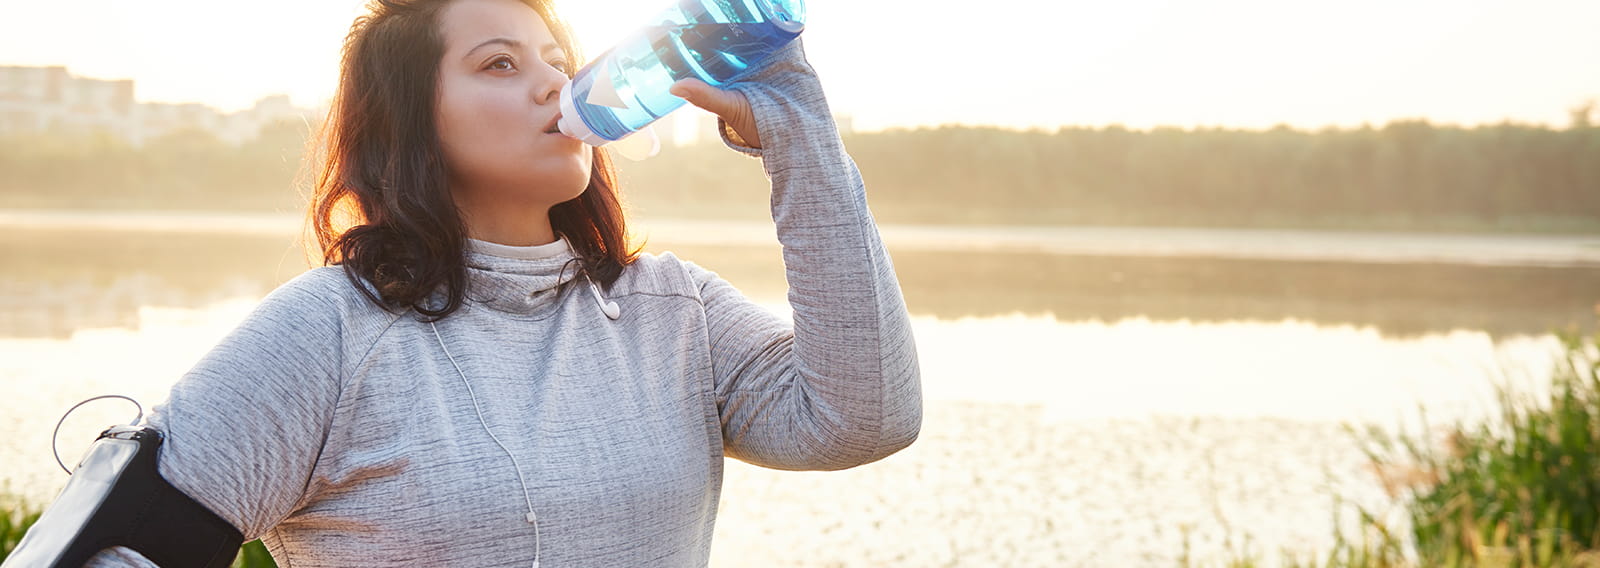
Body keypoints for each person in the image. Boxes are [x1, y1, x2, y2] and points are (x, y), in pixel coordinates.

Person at [83, 0, 921, 564]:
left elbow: (862, 420)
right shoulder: (327, 334)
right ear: (413, 121)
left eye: (558, 59)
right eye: (498, 65)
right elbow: (120, 547)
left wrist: (794, 126)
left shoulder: (675, 312)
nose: (556, 83)